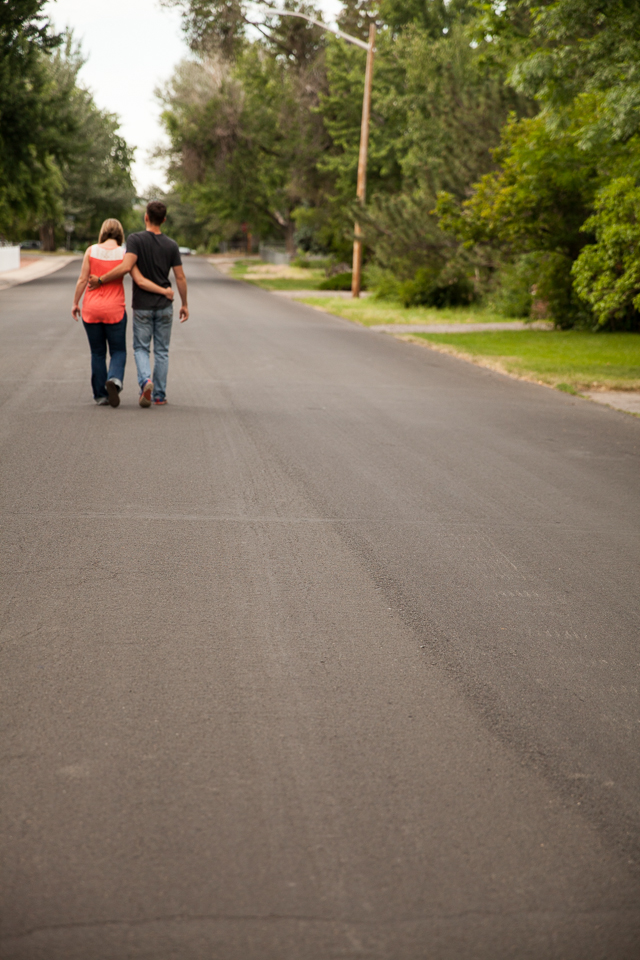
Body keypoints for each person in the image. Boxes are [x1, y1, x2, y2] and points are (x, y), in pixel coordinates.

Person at [88, 200, 189, 407]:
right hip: (165, 306)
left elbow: (126, 267)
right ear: (164, 220)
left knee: (141, 348)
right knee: (162, 350)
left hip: (142, 305)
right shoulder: (172, 245)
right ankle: (159, 395)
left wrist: (100, 280)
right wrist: (184, 303)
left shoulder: (135, 240)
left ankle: (145, 382)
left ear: (146, 217)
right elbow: (180, 277)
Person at [72, 219, 173, 407]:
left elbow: (82, 279)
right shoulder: (124, 253)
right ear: (120, 233)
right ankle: (115, 380)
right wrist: (163, 290)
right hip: (115, 309)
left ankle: (101, 395)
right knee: (118, 350)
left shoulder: (91, 251)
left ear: (103, 232)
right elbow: (138, 279)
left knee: (97, 352)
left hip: (91, 309)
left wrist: (75, 302)